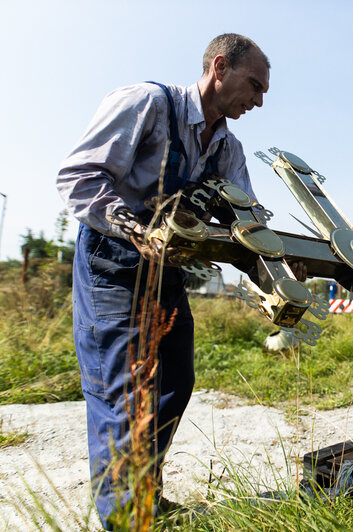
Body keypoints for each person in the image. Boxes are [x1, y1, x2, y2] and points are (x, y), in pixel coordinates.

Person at [56, 33, 279, 528]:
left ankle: (145, 496)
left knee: (174, 382)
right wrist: (137, 229)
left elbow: (248, 219)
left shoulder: (227, 146)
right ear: (219, 67)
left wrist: (278, 261)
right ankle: (128, 519)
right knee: (126, 395)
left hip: (167, 273)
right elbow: (78, 177)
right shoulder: (146, 104)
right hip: (113, 264)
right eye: (254, 86)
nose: (259, 101)